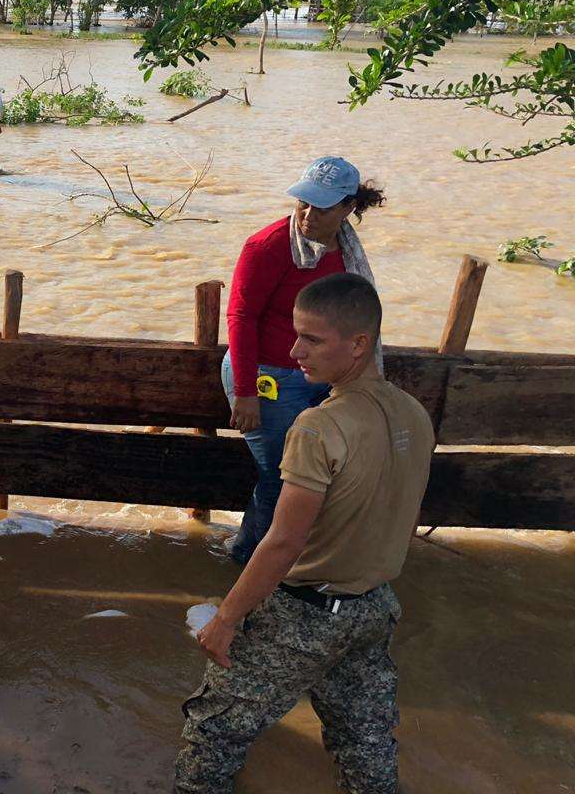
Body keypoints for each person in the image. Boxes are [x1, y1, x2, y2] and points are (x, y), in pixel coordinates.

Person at [176, 273, 435, 794]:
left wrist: (227, 619)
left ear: (358, 344)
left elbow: (284, 541)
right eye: (296, 335)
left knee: (215, 730)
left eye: (312, 339)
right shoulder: (414, 413)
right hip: (374, 607)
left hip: (307, 612)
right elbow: (401, 518)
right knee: (365, 738)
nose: (295, 351)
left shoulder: (318, 427)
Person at [223, 156, 385, 563]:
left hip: (322, 379)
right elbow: (241, 316)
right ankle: (253, 566)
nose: (308, 215)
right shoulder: (269, 245)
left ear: (348, 208)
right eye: (303, 203)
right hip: (267, 377)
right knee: (285, 480)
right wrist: (245, 392)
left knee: (315, 479)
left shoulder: (347, 251)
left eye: (322, 207)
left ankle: (259, 557)